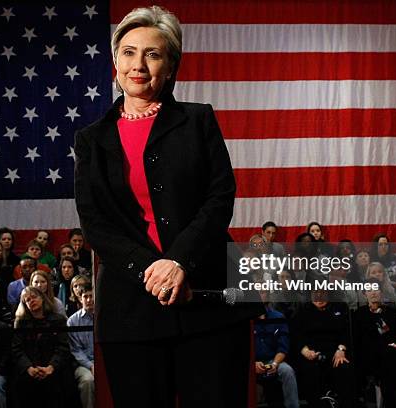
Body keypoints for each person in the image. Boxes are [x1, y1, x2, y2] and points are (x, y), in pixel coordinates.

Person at [73, 6, 260, 407]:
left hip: (209, 300)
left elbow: (219, 196)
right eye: (128, 52)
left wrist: (178, 261)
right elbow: (95, 224)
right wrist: (150, 270)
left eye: (153, 54)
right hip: (130, 311)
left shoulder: (198, 120)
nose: (138, 64)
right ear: (115, 62)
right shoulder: (90, 139)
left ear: (171, 66)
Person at [12, 286, 71, 408]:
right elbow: (17, 349)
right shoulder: (20, 323)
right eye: (27, 300)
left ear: (42, 298)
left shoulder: (58, 320)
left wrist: (51, 367)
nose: (31, 301)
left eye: (34, 297)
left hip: (53, 368)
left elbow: (63, 347)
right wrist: (29, 368)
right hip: (29, 370)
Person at [354, 278, 396, 407]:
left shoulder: (391, 313)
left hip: (391, 354)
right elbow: (359, 340)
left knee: (393, 357)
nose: (373, 293)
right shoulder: (359, 314)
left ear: (381, 292)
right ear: (364, 293)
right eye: (369, 290)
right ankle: (392, 400)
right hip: (368, 355)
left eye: (376, 289)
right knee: (389, 357)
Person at [295, 289, 354, 408]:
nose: (319, 297)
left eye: (322, 293)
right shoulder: (303, 310)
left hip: (336, 351)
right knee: (309, 369)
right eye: (315, 293)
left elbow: (346, 332)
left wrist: (341, 349)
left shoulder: (340, 307)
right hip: (311, 352)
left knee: (343, 366)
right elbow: (296, 334)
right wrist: (305, 351)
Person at [254, 290, 299, 408]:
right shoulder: (244, 318)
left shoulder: (278, 317)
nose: (260, 295)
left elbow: (283, 347)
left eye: (263, 292)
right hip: (252, 363)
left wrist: (275, 363)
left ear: (268, 295)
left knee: (287, 371)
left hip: (272, 361)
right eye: (257, 292)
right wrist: (252, 364)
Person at [67, 283, 95, 408]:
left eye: (91, 296)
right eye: (85, 296)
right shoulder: (72, 321)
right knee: (88, 380)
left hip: (102, 361)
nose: (89, 300)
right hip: (83, 364)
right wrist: (91, 365)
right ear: (80, 298)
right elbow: (76, 350)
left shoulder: (103, 316)